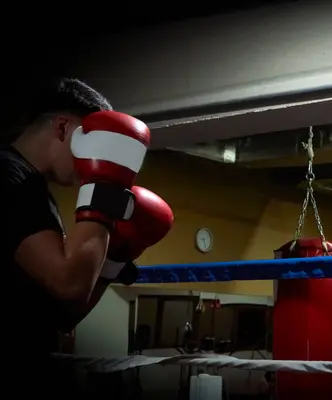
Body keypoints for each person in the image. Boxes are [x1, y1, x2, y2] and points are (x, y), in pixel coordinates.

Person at [1, 78, 174, 394]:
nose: (86, 164)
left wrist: (114, 258)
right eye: (97, 141)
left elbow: (63, 315)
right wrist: (106, 191)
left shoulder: (36, 193)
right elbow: (70, 286)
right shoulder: (7, 176)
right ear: (64, 127)